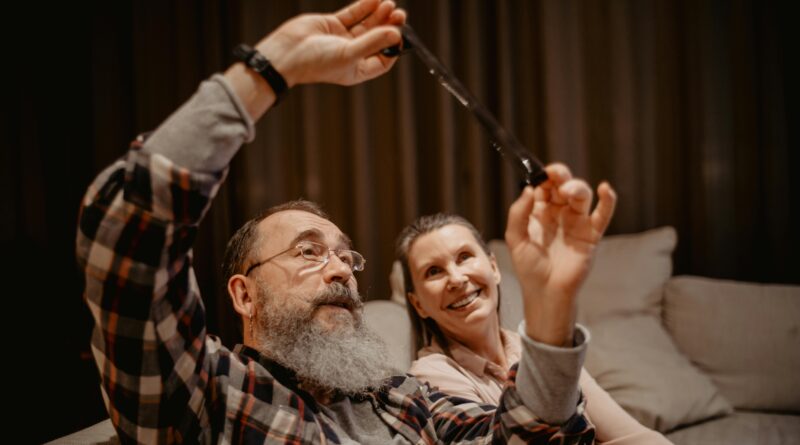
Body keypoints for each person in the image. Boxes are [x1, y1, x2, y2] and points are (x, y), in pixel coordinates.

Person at [77, 0, 597, 442]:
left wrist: (551, 304)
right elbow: (127, 239)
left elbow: (531, 436)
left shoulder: (404, 397)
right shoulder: (212, 395)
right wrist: (267, 70)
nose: (342, 271)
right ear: (243, 295)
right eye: (308, 251)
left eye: (347, 256)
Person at [393, 177, 672, 444]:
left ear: (493, 268)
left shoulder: (527, 348)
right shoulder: (430, 378)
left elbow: (634, 436)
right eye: (434, 271)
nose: (456, 279)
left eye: (464, 257)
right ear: (418, 304)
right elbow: (518, 440)